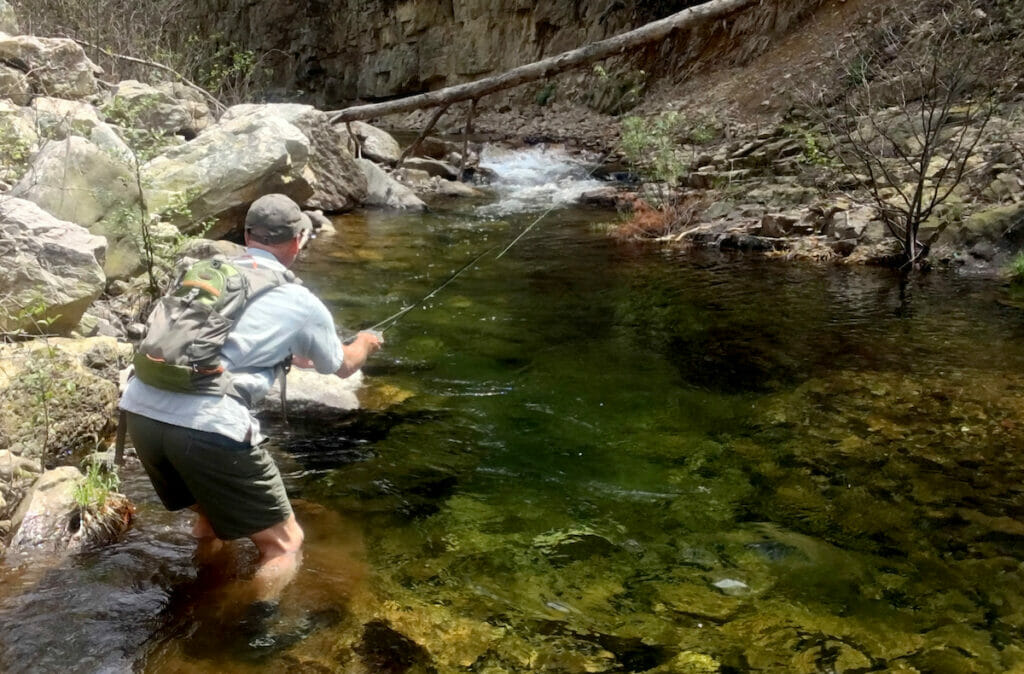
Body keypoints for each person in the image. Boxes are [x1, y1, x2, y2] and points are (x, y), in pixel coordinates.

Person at [120, 193, 382, 604]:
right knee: (284, 544)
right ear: (297, 240)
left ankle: (202, 595)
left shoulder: (205, 275)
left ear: (246, 236)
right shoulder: (300, 301)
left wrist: (281, 352)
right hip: (207, 423)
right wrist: (365, 342)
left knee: (209, 514)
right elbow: (343, 366)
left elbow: (213, 342)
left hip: (140, 410)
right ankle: (247, 636)